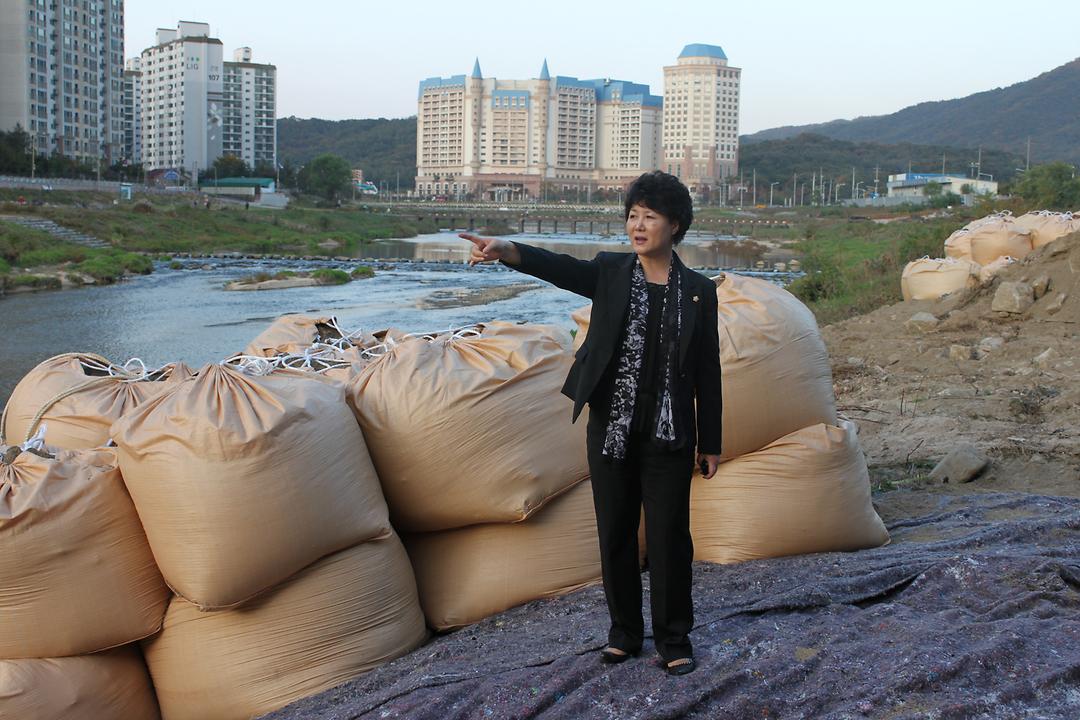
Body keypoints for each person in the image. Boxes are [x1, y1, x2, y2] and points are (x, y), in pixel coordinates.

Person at [461, 170, 722, 677]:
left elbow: (708, 369)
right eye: (632, 215)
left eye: (649, 216)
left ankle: (673, 638)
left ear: (675, 225)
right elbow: (559, 268)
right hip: (612, 426)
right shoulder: (610, 271)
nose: (637, 225)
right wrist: (507, 250)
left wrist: (710, 440)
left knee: (670, 538)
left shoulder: (697, 291)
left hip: (669, 432)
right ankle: (624, 633)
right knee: (616, 533)